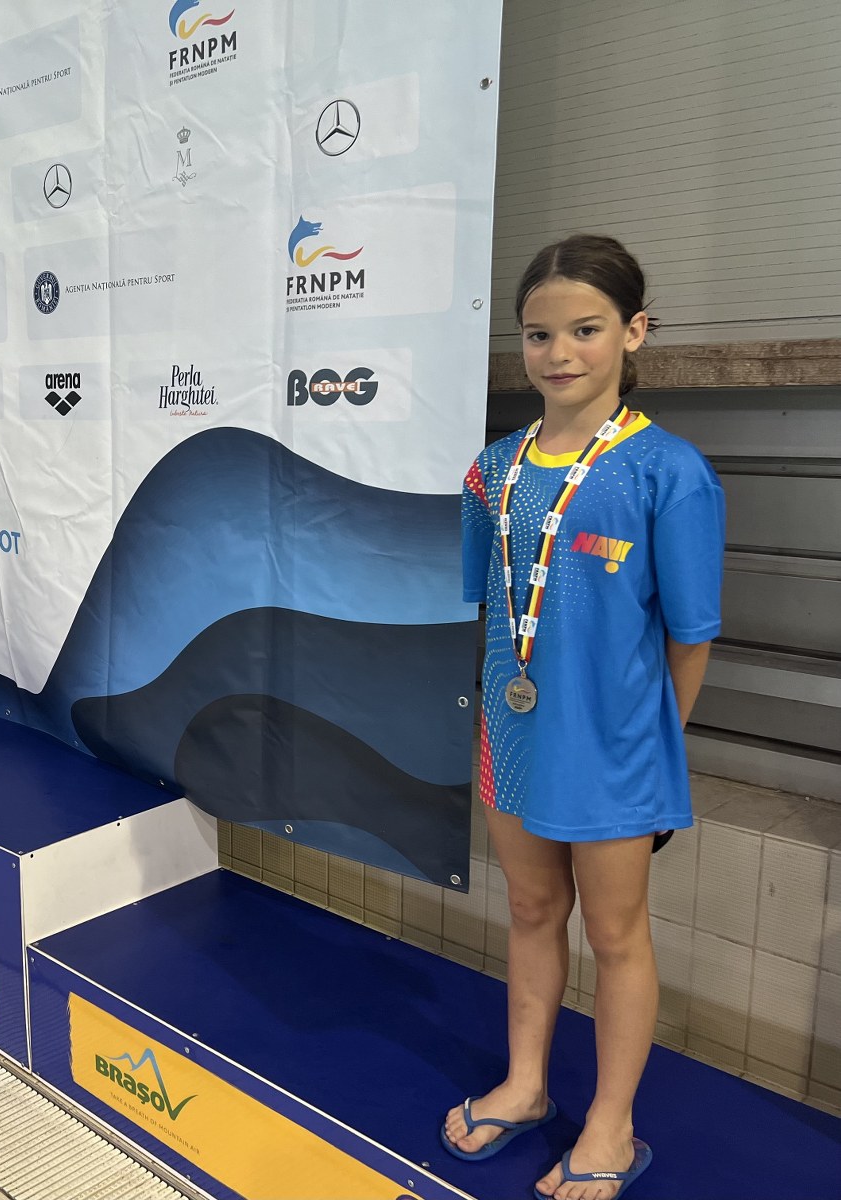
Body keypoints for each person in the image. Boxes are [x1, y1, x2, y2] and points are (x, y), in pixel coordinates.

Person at [446, 235, 724, 1200]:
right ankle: (526, 1085)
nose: (558, 352)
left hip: (616, 751)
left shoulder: (667, 471)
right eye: (538, 334)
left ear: (633, 332)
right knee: (529, 912)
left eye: (585, 329)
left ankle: (610, 1121)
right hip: (512, 735)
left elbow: (690, 637)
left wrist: (655, 745)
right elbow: (489, 603)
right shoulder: (491, 471)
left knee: (614, 935)